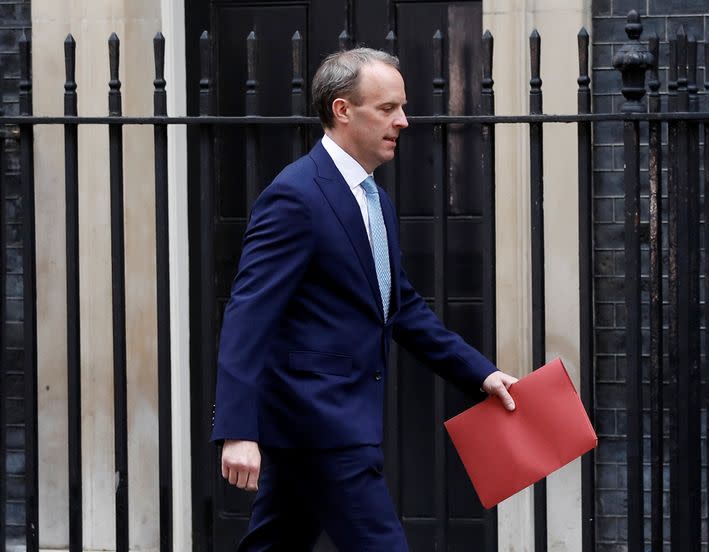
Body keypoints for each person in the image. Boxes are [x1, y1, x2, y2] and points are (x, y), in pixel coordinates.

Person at [210, 47, 518, 552]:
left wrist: (479, 373)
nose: (404, 120)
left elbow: (401, 307)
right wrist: (237, 430)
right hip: (324, 426)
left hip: (320, 429)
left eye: (402, 107)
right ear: (343, 109)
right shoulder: (296, 196)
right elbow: (248, 313)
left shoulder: (376, 200)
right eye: (388, 108)